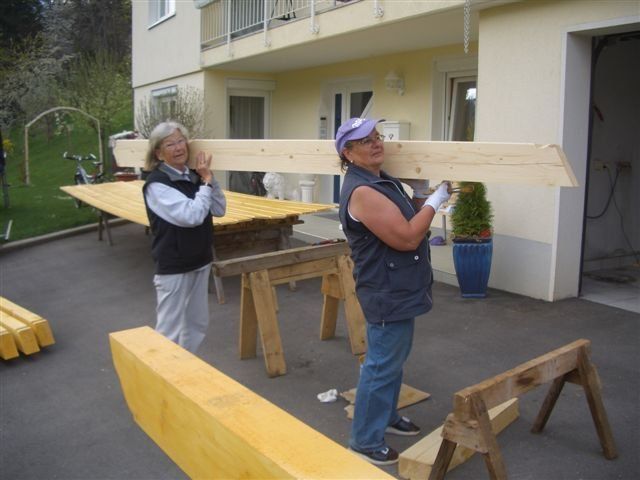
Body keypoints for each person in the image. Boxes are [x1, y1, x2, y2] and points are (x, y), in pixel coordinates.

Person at [335, 117, 451, 465]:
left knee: (393, 359)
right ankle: (365, 440)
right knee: (382, 364)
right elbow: (407, 237)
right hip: (386, 289)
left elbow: (405, 218)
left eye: (376, 136)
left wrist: (419, 195)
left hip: (398, 286)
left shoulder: (380, 180)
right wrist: (435, 201)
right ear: (348, 152)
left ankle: (385, 416)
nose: (376, 143)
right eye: (365, 141)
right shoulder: (363, 191)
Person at [142, 121, 227, 354]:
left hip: (200, 261)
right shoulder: (157, 184)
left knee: (196, 324)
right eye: (170, 144)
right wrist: (206, 183)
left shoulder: (194, 176)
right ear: (159, 153)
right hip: (174, 266)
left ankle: (186, 368)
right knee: (169, 331)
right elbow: (192, 216)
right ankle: (161, 373)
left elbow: (219, 209)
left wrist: (209, 179)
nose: (179, 147)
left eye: (181, 141)